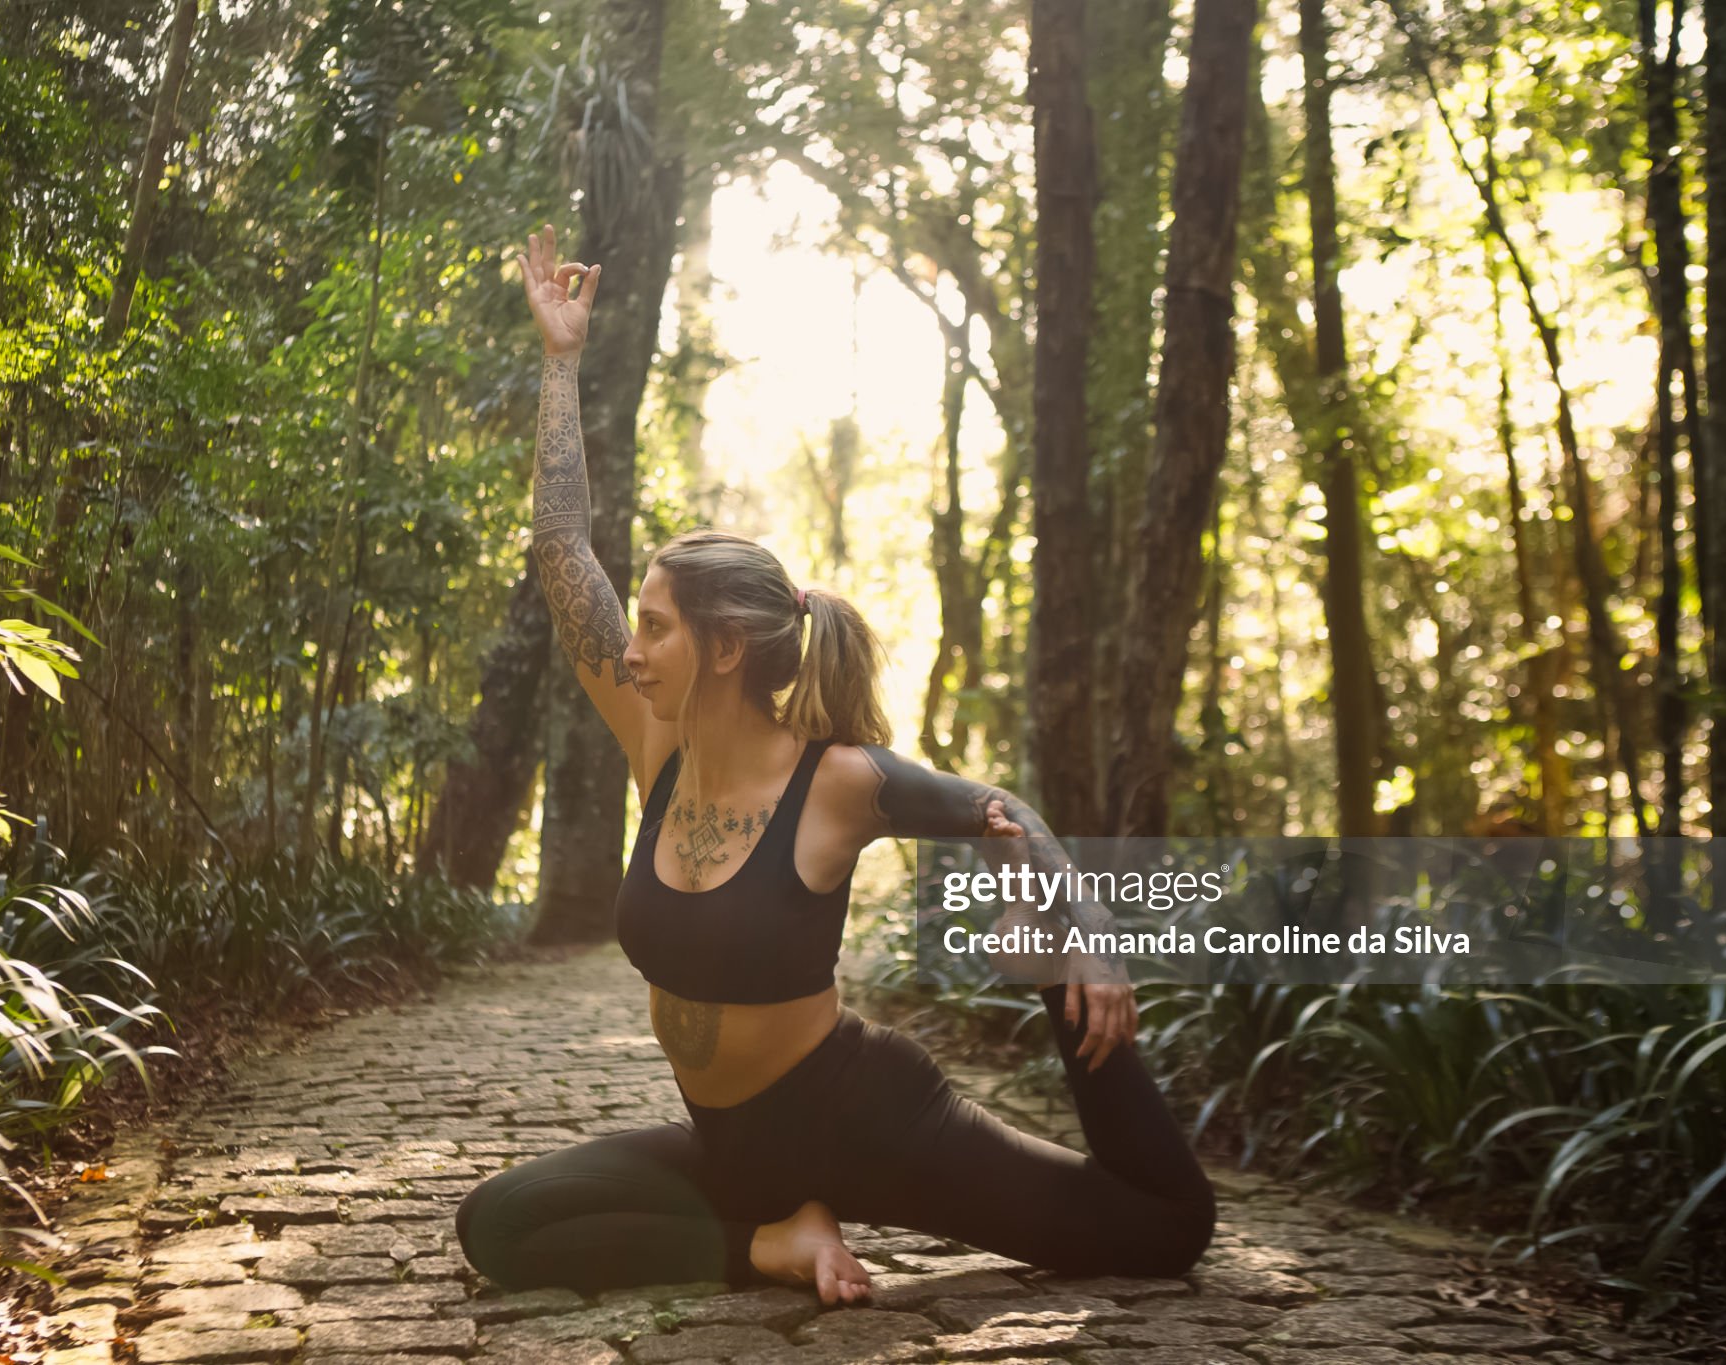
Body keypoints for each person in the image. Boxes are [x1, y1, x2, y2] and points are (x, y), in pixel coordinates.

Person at [454, 224, 1215, 1307]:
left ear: (726, 649)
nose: (632, 648)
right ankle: (769, 1241)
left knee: (1162, 1229)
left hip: (864, 1124)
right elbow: (561, 549)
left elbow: (999, 807)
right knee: (499, 1223)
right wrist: (560, 362)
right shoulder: (654, 741)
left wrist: (1077, 938)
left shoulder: (836, 780)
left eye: (657, 627)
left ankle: (847, 1171)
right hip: (729, 1147)